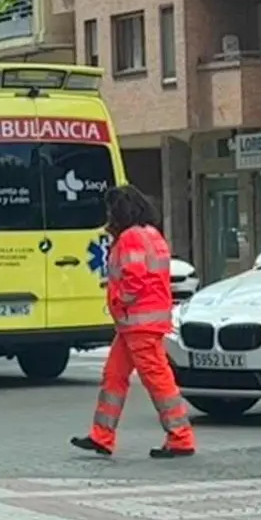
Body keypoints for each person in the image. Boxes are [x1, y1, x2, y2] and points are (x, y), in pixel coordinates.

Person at [71, 185, 195, 459]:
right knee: (114, 376)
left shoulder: (130, 238)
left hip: (138, 322)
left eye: (110, 210)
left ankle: (180, 438)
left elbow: (134, 279)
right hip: (139, 323)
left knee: (157, 380)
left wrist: (118, 302)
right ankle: (102, 436)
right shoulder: (152, 234)